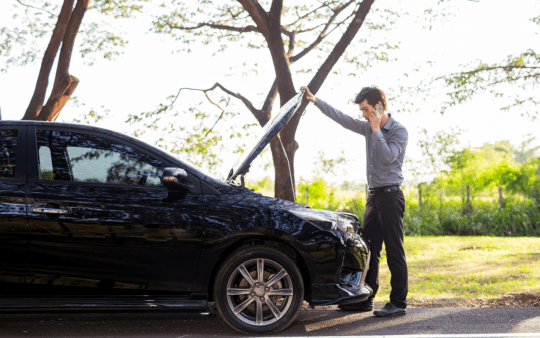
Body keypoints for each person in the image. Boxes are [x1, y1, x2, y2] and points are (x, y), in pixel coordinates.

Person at [300, 85, 409, 317]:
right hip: (374, 197)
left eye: (367, 109)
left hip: (391, 197)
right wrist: (316, 101)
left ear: (379, 107)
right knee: (370, 251)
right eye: (362, 110)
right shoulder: (367, 127)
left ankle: (398, 303)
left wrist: (376, 129)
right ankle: (365, 299)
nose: (363, 114)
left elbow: (390, 158)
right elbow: (342, 119)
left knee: (394, 251)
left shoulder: (398, 130)